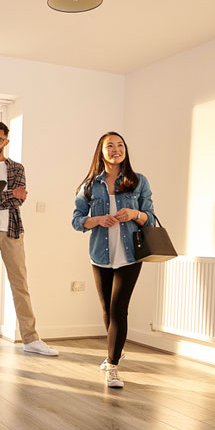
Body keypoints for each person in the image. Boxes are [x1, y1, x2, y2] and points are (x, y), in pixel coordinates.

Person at [71, 131, 156, 388]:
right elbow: (77, 221)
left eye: (120, 145)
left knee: (119, 308)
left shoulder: (138, 181)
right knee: (108, 310)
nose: (116, 149)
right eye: (110, 146)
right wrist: (97, 220)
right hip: (100, 255)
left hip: (130, 254)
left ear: (125, 151)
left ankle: (112, 365)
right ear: (101, 151)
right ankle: (116, 350)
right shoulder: (89, 186)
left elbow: (150, 218)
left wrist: (134, 213)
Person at [0, 122, 58, 356]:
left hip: (12, 231)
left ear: (6, 141)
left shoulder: (17, 169)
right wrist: (5, 194)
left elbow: (19, 200)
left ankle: (30, 338)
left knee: (20, 285)